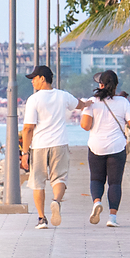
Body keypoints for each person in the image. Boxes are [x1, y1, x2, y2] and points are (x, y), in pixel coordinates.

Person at [20, 65, 89, 229]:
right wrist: (88, 103)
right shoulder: (63, 95)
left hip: (39, 146)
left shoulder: (34, 100)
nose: (32, 82)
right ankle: (56, 201)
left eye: (34, 78)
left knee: (38, 183)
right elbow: (79, 104)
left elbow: (28, 128)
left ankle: (42, 219)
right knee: (60, 179)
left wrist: (24, 152)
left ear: (42, 78)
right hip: (60, 144)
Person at [80, 70, 130, 228]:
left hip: (96, 146)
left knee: (96, 179)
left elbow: (85, 126)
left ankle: (97, 202)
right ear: (116, 85)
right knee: (114, 183)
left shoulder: (92, 102)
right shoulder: (123, 102)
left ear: (101, 85)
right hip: (117, 147)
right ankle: (112, 218)